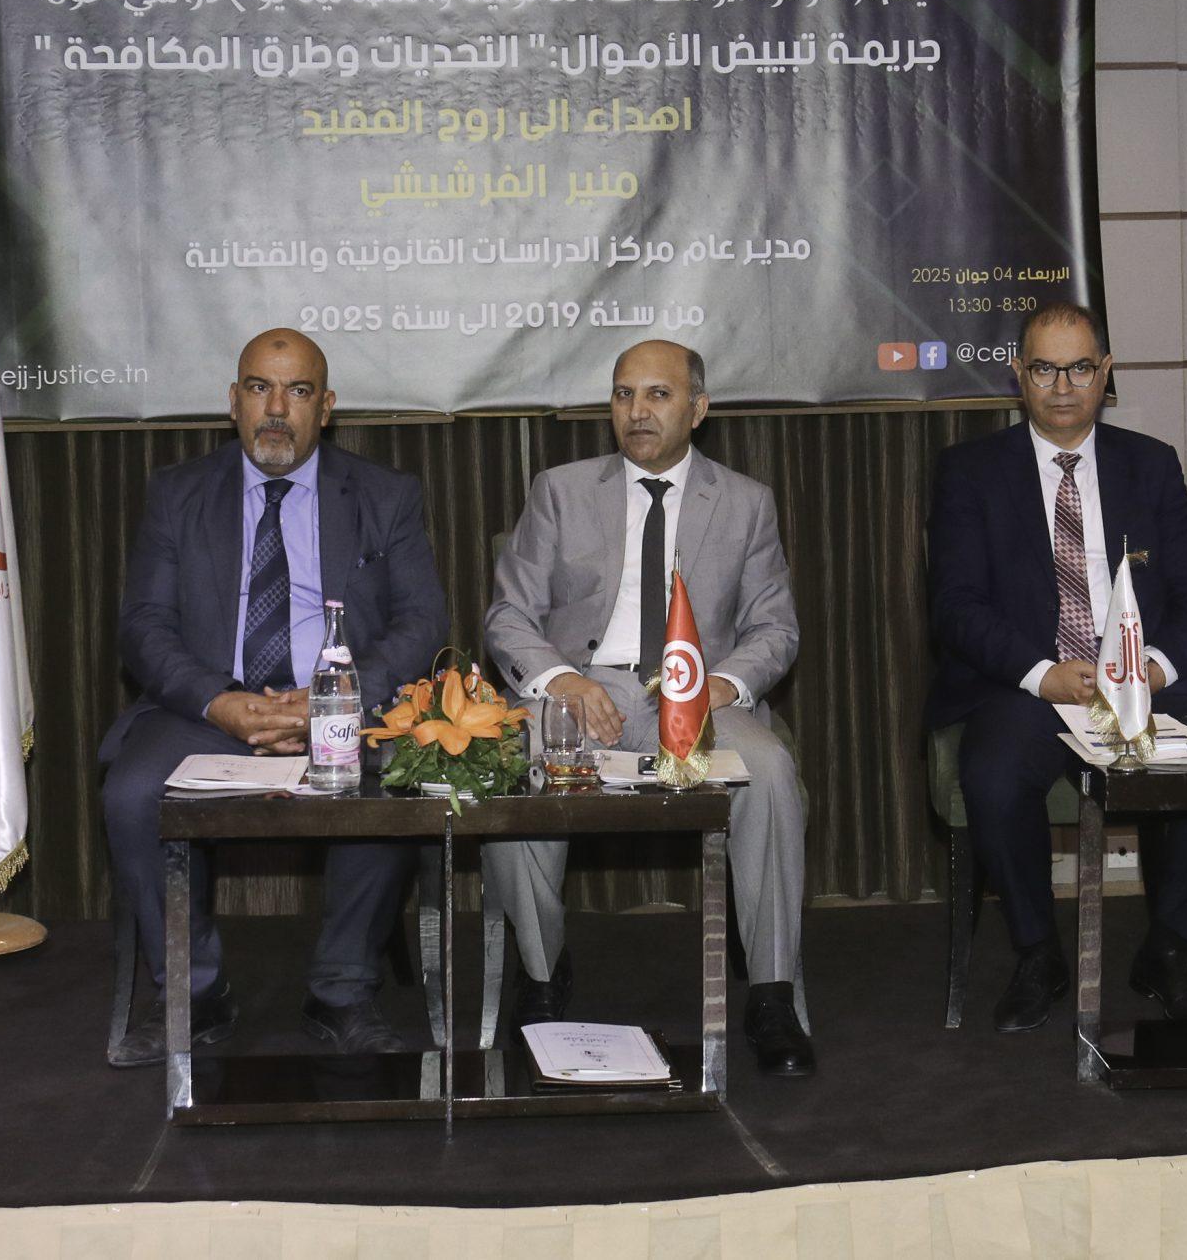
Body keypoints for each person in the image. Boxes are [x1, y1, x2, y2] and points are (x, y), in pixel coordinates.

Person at [99, 328, 447, 1067]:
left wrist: (335, 699)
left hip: (342, 707)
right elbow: (144, 625)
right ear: (234, 401)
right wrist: (219, 701)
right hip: (208, 709)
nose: (277, 409)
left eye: (297, 391)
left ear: (327, 406)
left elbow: (422, 622)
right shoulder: (178, 493)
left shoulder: (385, 495)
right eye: (260, 388)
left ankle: (343, 990)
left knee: (392, 781)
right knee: (131, 794)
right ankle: (192, 991)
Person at [482, 339, 815, 1076]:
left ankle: (771, 993)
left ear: (697, 409)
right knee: (513, 767)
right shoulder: (560, 490)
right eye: (624, 394)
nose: (638, 410)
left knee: (768, 769)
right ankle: (540, 969)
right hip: (582, 691)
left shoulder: (746, 502)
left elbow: (775, 627)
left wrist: (725, 684)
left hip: (698, 694)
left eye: (658, 395)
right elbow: (508, 616)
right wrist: (561, 682)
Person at [928, 302, 1187, 1033]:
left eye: (1079, 368)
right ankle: (1038, 952)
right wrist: (1042, 672)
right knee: (992, 773)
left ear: (1105, 372)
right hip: (1030, 681)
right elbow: (955, 605)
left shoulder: (1151, 463)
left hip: (1149, 677)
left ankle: (1169, 948)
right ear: (1018, 374)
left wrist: (1154, 668)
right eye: (1045, 369)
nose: (1063, 386)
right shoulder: (970, 472)